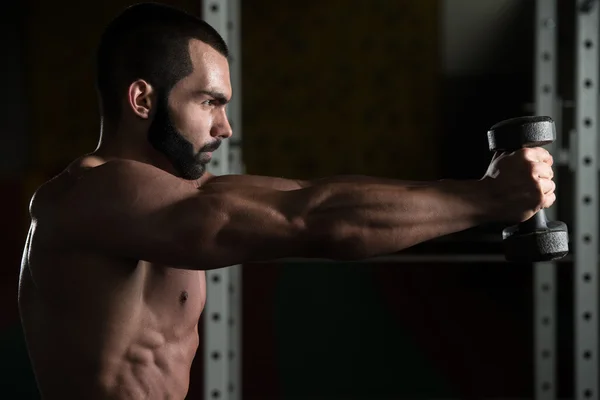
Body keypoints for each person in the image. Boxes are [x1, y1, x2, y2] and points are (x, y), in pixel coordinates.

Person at [18, 3, 556, 399]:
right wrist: (488, 200)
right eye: (208, 102)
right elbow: (311, 221)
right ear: (142, 99)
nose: (225, 127)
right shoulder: (84, 201)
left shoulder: (184, 196)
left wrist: (484, 189)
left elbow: (311, 197)